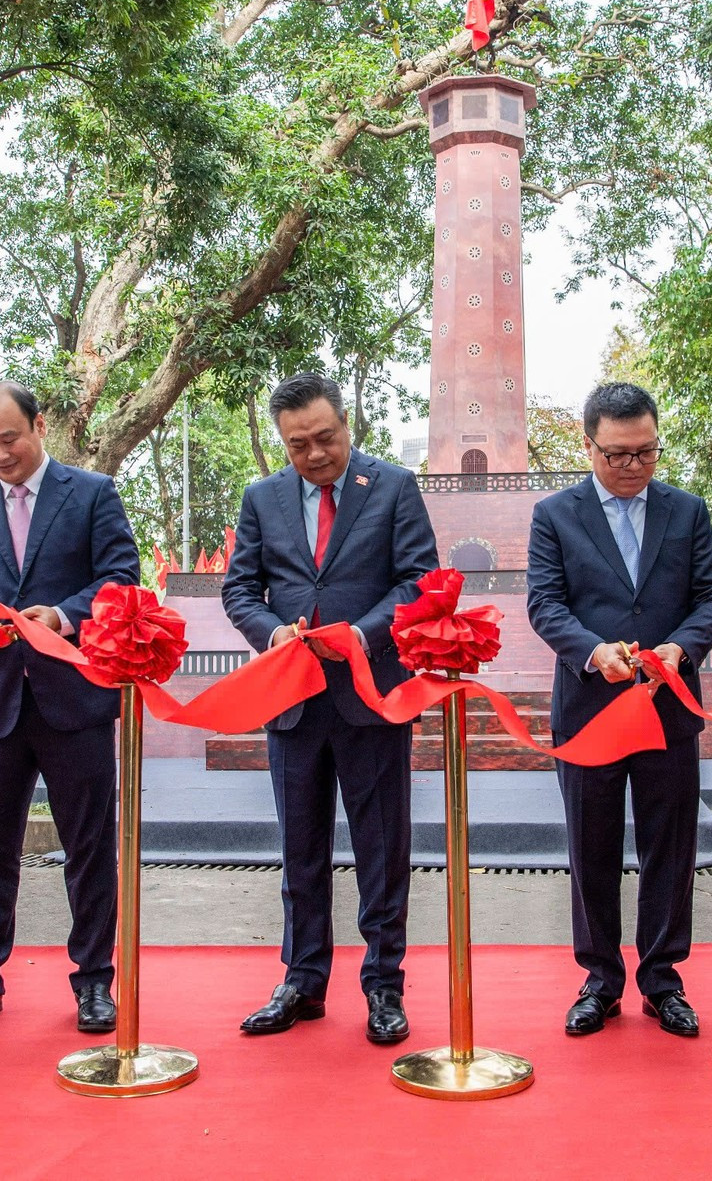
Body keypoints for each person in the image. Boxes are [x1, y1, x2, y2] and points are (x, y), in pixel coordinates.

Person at [221, 373, 438, 1045]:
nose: (314, 454)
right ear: (281, 444)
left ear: (348, 424)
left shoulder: (395, 487)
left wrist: (361, 635)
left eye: (325, 438)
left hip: (370, 698)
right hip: (292, 701)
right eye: (297, 445)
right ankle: (302, 981)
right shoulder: (262, 498)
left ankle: (383, 986)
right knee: (300, 851)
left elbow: (418, 581)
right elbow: (240, 590)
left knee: (381, 850)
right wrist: (271, 631)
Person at [0, 381, 141, 1035]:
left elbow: (120, 576)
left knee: (88, 846)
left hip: (72, 700)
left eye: (9, 439)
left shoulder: (91, 494)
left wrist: (64, 615)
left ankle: (94, 981)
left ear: (40, 425)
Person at [526, 382, 712, 1037]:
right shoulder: (554, 515)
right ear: (588, 446)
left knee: (671, 845)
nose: (633, 466)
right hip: (590, 706)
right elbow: (546, 605)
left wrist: (682, 647)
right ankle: (600, 978)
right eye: (617, 454)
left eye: (646, 452)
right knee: (590, 845)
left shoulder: (687, 511)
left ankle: (663, 978)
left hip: (667, 703)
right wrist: (592, 651)